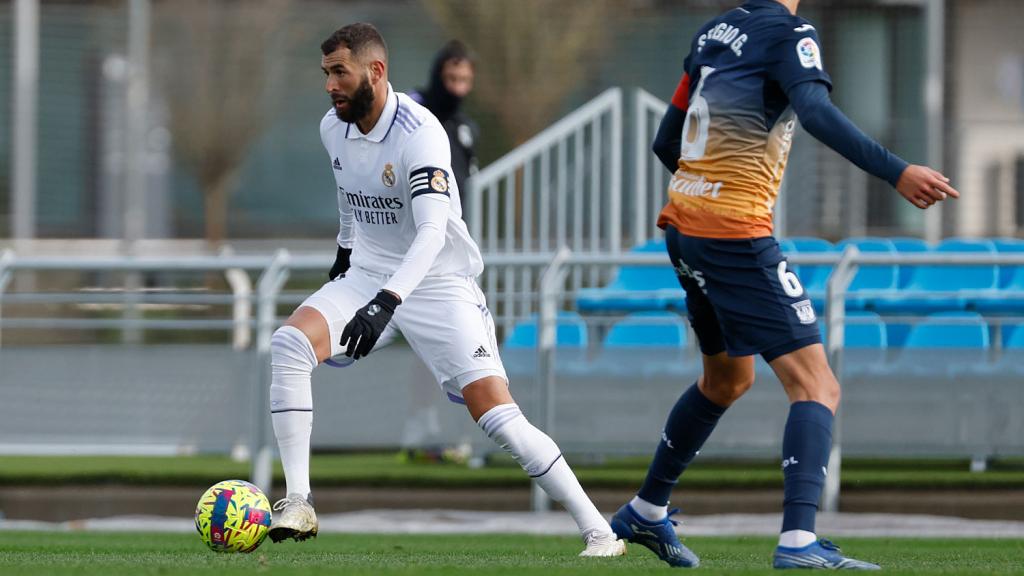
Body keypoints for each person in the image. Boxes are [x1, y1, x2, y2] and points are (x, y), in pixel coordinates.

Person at [609, 0, 958, 570]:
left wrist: (708, 188)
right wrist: (897, 170)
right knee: (818, 386)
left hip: (684, 224)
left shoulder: (712, 34)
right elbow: (815, 111)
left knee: (725, 380)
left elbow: (665, 142)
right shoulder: (791, 33)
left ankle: (646, 510)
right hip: (733, 235)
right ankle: (798, 541)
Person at [267, 22, 624, 558]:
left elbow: (433, 233)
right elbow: (348, 193)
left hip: (438, 283)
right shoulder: (332, 127)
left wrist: (387, 303)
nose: (330, 85)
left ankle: (600, 532)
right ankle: (298, 501)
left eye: (339, 72)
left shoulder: (421, 132)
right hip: (366, 274)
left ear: (375, 71)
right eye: (326, 74)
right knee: (289, 344)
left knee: (498, 418)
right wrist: (343, 258)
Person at [410, 40, 479, 213]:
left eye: (464, 80)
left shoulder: (466, 128)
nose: (457, 88)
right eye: (452, 78)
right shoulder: (412, 109)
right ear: (438, 76)